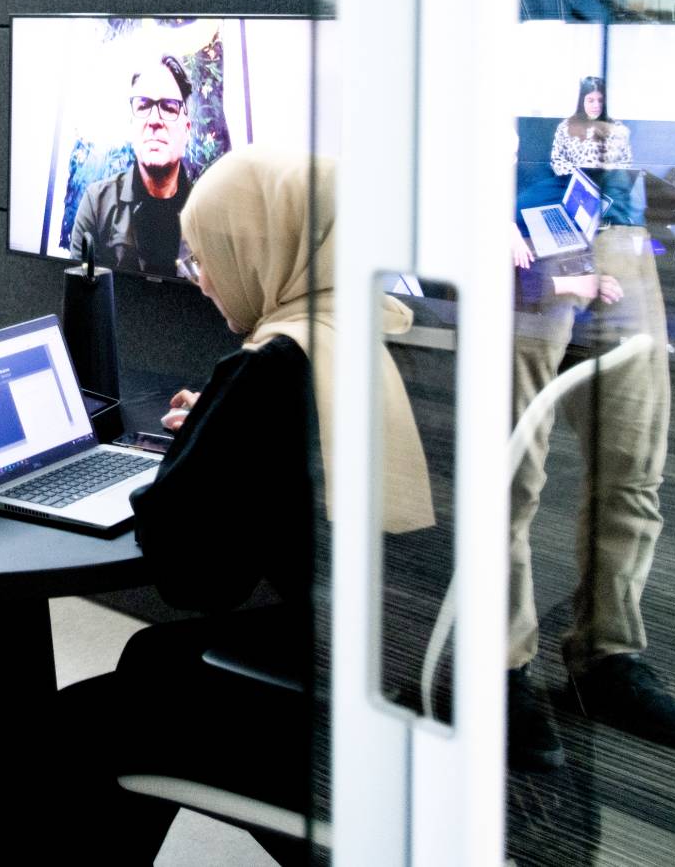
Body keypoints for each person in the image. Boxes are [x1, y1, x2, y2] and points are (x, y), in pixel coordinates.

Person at [56, 148, 434, 865]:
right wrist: (223, 422)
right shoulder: (377, 327)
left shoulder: (272, 367)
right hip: (407, 668)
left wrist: (201, 439)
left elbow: (197, 576)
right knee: (149, 655)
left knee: (82, 726)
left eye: (208, 257)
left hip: (339, 711)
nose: (201, 282)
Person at [507, 0, 675, 773]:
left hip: (616, 222)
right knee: (517, 467)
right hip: (520, 227)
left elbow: (646, 90)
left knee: (633, 455)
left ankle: (607, 653)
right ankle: (500, 670)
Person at [68, 55, 201, 278]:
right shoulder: (96, 204)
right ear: (131, 126)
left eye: (169, 108)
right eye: (144, 105)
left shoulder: (210, 212)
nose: (154, 120)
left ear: (186, 130)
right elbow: (81, 295)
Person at [550, 76, 632, 175]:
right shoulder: (565, 127)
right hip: (574, 184)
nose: (597, 105)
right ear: (582, 102)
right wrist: (581, 176)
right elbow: (557, 160)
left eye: (600, 100)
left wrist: (609, 177)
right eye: (591, 100)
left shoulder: (618, 128)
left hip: (608, 186)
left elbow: (626, 162)